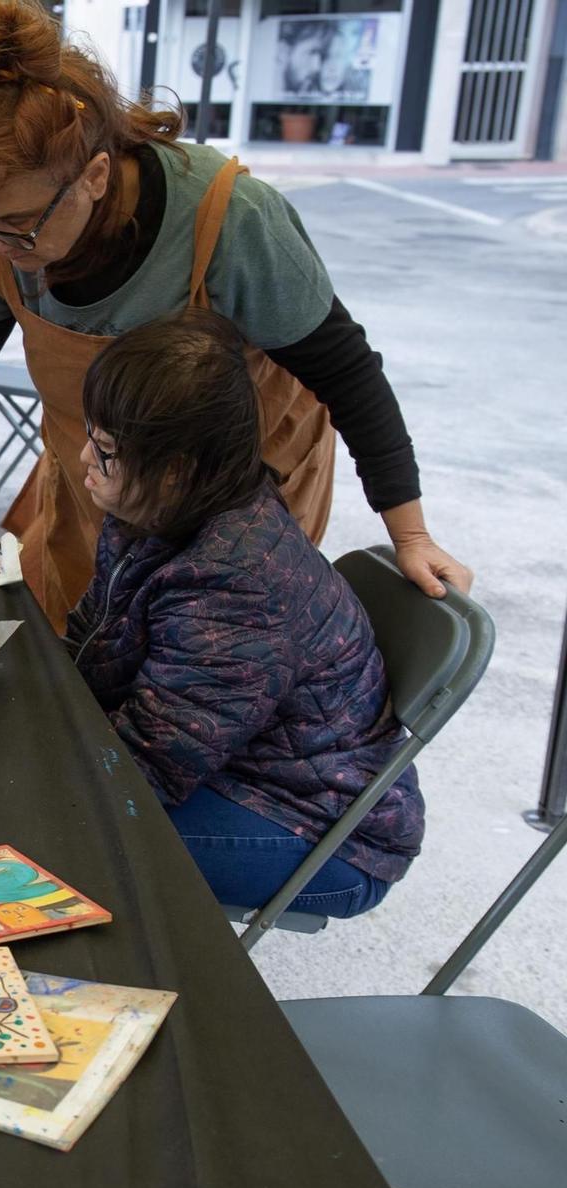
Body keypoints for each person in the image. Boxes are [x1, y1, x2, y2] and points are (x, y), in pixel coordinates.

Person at [0, 0, 470, 630]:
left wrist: (409, 534)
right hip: (100, 496)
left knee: (205, 671)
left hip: (237, 510)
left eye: (17, 227)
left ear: (93, 176)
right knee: (88, 659)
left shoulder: (230, 219)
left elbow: (349, 375)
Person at [65, 309, 422, 916]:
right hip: (234, 767)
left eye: (104, 452)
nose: (82, 460)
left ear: (175, 469)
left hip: (318, 826)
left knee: (55, 841)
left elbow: (148, 764)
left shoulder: (235, 579)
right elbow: (91, 649)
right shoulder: (163, 513)